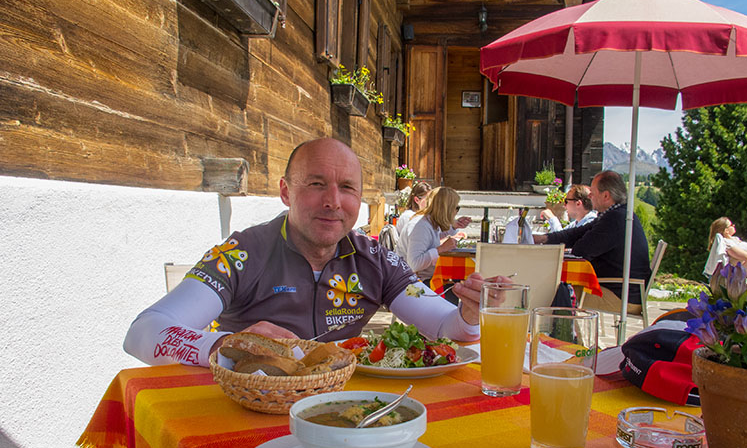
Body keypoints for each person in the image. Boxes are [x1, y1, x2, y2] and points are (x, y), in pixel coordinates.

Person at [124, 138, 488, 367]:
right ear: (286, 192)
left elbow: (445, 326)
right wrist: (226, 345)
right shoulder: (243, 253)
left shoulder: (376, 259)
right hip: (249, 409)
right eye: (316, 184)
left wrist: (469, 315)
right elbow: (143, 332)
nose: (333, 201)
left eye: (347, 187)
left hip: (344, 417)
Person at [533, 171, 651, 313]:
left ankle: (561, 328)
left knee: (552, 292)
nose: (589, 196)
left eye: (593, 193)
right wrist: (543, 239)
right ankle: (566, 327)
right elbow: (577, 233)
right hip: (624, 291)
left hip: (622, 297)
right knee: (560, 289)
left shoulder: (615, 220)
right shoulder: (618, 214)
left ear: (606, 196)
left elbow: (581, 250)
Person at [397, 186, 467, 291]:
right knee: (457, 289)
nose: (456, 211)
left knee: (459, 284)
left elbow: (431, 238)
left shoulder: (429, 222)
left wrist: (454, 226)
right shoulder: (421, 226)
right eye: (456, 208)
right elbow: (414, 264)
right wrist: (441, 249)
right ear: (447, 209)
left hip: (423, 278)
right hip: (412, 284)